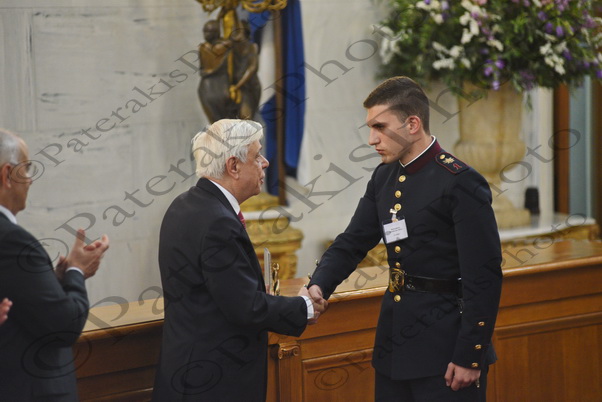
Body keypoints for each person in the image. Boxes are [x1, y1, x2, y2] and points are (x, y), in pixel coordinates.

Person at [305, 77, 503, 401]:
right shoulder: (384, 176)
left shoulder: (460, 182)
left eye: (380, 127)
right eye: (370, 128)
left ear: (412, 124)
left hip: (446, 350)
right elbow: (353, 241)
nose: (372, 139)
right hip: (395, 346)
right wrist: (319, 284)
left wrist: (470, 355)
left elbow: (484, 276)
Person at [152, 119, 326, 401]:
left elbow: (219, 291)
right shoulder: (217, 221)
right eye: (257, 156)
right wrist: (304, 306)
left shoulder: (184, 205)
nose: (265, 163)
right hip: (214, 382)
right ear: (233, 166)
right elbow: (246, 308)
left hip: (187, 370)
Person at [0, 128, 110, 401]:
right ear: (6, 175)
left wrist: (54, 278)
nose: (30, 180)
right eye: (26, 168)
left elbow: (18, 294)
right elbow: (64, 325)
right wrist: (76, 271)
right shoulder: (13, 241)